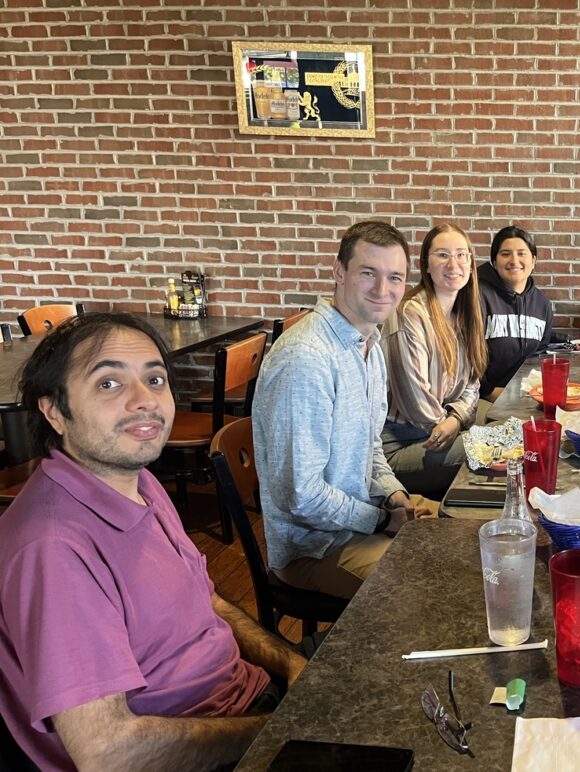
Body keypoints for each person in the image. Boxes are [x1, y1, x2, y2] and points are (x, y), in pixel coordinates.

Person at [0, 313, 307, 771]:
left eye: (155, 379)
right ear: (54, 410)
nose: (145, 401)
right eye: (109, 384)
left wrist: (293, 666)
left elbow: (210, 604)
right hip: (199, 751)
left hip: (251, 703)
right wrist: (282, 730)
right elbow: (109, 754)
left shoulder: (137, 480)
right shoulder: (54, 550)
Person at [253, 220, 430, 600]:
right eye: (369, 273)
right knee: (426, 591)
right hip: (313, 550)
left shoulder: (368, 345)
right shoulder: (307, 358)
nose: (383, 290)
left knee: (468, 535)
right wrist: (382, 519)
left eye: (395, 278)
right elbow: (300, 496)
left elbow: (370, 449)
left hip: (359, 525)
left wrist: (396, 497)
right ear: (339, 272)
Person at [382, 223, 488, 498]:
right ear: (426, 265)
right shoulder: (409, 314)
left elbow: (472, 384)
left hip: (442, 430)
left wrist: (456, 420)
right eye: (442, 255)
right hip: (403, 448)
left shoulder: (464, 313)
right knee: (507, 441)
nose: (454, 264)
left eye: (461, 255)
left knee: (510, 428)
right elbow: (418, 405)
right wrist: (454, 423)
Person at [477, 225, 554, 402]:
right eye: (505, 254)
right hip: (482, 399)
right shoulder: (477, 296)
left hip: (525, 398)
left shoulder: (543, 305)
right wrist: (490, 392)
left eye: (521, 253)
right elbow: (466, 356)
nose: (514, 260)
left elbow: (538, 356)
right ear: (494, 261)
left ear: (533, 261)